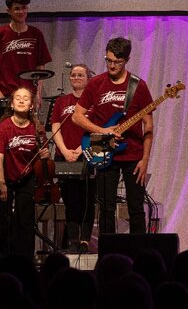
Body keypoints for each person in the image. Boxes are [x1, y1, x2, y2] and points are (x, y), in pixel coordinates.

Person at [73, 37, 155, 235]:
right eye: (108, 60)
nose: (111, 66)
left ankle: (139, 250)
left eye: (117, 62)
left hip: (133, 155)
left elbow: (149, 125)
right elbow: (77, 116)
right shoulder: (96, 83)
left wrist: (145, 159)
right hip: (104, 152)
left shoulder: (138, 85)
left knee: (136, 208)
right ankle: (108, 250)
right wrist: (103, 131)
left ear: (126, 60)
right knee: (106, 208)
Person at [0, 86, 46, 261]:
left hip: (27, 177)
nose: (22, 100)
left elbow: (41, 155)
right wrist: (1, 182)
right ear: (12, 104)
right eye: (18, 98)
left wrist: (44, 155)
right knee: (3, 220)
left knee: (26, 221)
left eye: (26, 98)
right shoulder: (3, 127)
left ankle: (25, 261)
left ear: (31, 105)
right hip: (5, 176)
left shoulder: (37, 127)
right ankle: (2, 260)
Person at [50, 64, 96, 251]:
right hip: (64, 155)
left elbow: (97, 128)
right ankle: (72, 240)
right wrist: (64, 150)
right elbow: (55, 126)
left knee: (87, 200)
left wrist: (81, 149)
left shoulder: (93, 101)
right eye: (73, 75)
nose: (76, 78)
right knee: (70, 200)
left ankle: (85, 240)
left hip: (87, 153)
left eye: (80, 75)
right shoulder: (62, 101)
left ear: (88, 79)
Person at [0, 0, 52, 100]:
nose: (21, 12)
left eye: (24, 8)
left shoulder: (36, 34)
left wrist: (38, 93)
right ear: (9, 11)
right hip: (5, 94)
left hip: (28, 94)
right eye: (17, 8)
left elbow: (40, 67)